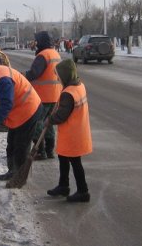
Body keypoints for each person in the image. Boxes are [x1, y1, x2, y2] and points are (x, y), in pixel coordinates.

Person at [0, 60, 44, 181]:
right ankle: (12, 171)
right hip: (18, 112)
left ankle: (19, 176)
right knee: (11, 144)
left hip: (29, 110)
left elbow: (5, 106)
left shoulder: (3, 80)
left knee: (20, 146)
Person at [47, 59, 92, 202]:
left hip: (72, 135)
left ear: (65, 76)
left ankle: (83, 191)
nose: (57, 79)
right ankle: (63, 185)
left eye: (58, 76)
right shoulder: (79, 85)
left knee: (75, 162)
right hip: (77, 132)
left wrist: (50, 119)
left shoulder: (68, 93)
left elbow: (61, 116)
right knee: (63, 159)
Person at [25, 31, 62, 160]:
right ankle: (50, 150)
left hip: (43, 97)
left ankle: (40, 151)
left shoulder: (43, 56)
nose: (35, 44)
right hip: (55, 95)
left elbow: (34, 73)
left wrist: (22, 76)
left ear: (41, 42)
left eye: (37, 41)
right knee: (49, 124)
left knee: (37, 123)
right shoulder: (55, 53)